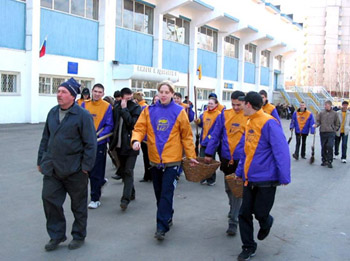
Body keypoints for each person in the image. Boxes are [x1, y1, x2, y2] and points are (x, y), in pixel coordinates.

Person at [131, 80, 198, 240]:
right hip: (154, 160)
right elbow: (139, 128)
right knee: (159, 194)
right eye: (161, 91)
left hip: (172, 161)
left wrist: (191, 157)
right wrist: (136, 140)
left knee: (166, 193)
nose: (163, 94)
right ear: (158, 93)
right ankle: (168, 214)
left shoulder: (179, 111)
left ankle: (161, 227)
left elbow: (187, 136)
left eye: (167, 92)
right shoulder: (148, 110)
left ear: (172, 94)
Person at [37, 78, 97, 251]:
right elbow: (45, 138)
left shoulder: (82, 115)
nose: (59, 95)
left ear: (73, 96)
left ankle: (78, 235)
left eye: (63, 92)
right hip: (52, 168)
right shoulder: (53, 112)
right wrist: (41, 160)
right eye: (58, 91)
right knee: (49, 200)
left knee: (78, 205)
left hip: (75, 169)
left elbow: (90, 143)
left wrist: (85, 167)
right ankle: (56, 235)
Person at [235, 91, 291, 261]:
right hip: (249, 179)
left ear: (249, 105)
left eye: (242, 104)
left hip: (267, 179)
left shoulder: (269, 123)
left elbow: (281, 151)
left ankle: (266, 221)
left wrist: (284, 176)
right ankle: (248, 247)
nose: (240, 106)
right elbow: (246, 151)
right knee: (244, 213)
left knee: (260, 213)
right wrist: (239, 172)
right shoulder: (249, 122)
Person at [205, 91, 247, 236]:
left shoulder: (249, 116)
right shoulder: (224, 114)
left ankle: (233, 221)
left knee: (237, 191)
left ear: (245, 103)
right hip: (226, 158)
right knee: (228, 189)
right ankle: (234, 208)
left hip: (242, 160)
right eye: (233, 104)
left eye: (239, 105)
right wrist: (209, 153)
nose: (236, 107)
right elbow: (215, 134)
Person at [81, 84, 114, 209]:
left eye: (100, 92)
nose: (97, 94)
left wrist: (98, 137)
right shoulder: (84, 104)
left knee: (96, 170)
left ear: (103, 93)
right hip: (85, 143)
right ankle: (101, 182)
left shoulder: (107, 107)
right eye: (95, 91)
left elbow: (109, 125)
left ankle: (95, 198)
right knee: (85, 170)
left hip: (99, 144)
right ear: (92, 92)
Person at [110, 87, 141, 210]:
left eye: (131, 97)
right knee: (123, 171)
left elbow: (132, 124)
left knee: (128, 171)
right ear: (122, 97)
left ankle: (125, 199)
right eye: (126, 98)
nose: (129, 99)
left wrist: (124, 109)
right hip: (118, 145)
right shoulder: (116, 107)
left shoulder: (135, 108)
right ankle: (131, 192)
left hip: (131, 144)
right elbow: (113, 124)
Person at [196, 97, 221, 186]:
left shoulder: (219, 115)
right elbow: (201, 124)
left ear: (216, 104)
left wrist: (208, 139)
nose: (210, 105)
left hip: (212, 141)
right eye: (209, 103)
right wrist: (198, 121)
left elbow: (216, 130)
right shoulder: (204, 113)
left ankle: (211, 179)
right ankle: (203, 177)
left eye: (212, 103)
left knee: (210, 161)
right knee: (202, 160)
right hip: (203, 140)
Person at [314, 100, 340, 168]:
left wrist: (335, 129)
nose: (326, 106)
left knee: (330, 146)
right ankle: (324, 160)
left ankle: (330, 160)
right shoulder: (321, 113)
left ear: (330, 105)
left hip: (331, 132)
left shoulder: (335, 113)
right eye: (325, 105)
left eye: (327, 105)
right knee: (324, 146)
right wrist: (316, 125)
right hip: (323, 132)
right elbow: (318, 121)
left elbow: (337, 123)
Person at [133, 92, 152, 182]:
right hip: (145, 136)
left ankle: (148, 175)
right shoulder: (144, 106)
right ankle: (148, 175)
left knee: (147, 157)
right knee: (147, 156)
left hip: (145, 137)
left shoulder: (143, 108)